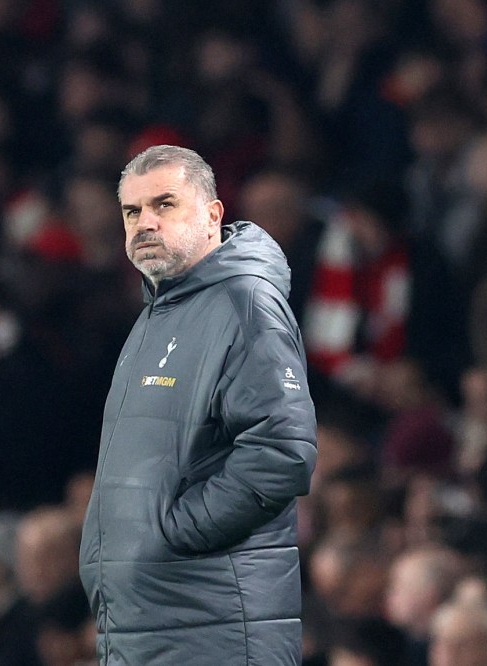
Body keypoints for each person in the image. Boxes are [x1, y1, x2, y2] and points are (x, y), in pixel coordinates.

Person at [78, 144, 318, 665]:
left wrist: (172, 534)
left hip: (213, 629)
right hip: (149, 625)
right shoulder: (159, 313)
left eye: (164, 205)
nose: (145, 222)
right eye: (132, 211)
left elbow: (282, 452)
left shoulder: (244, 302)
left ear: (212, 215)